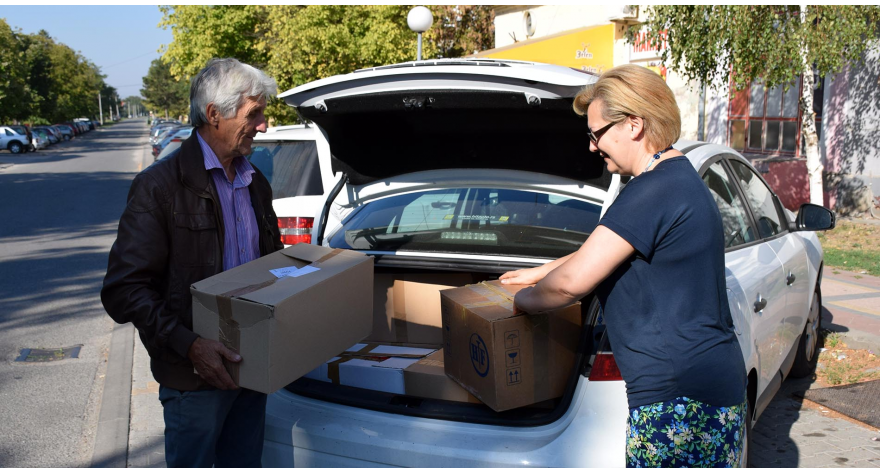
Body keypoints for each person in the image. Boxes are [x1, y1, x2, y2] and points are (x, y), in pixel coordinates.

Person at [500, 64, 747, 468]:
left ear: (633, 124)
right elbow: (609, 246)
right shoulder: (674, 179)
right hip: (704, 386)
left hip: (679, 399)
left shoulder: (653, 191)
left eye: (596, 134)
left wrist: (518, 303)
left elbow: (570, 285)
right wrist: (538, 272)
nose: (593, 147)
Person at [101, 58, 283, 468]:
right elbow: (123, 291)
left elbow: (271, 268)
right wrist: (191, 346)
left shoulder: (256, 182)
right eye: (254, 114)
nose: (264, 125)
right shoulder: (158, 187)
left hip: (252, 372)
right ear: (214, 114)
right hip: (194, 379)